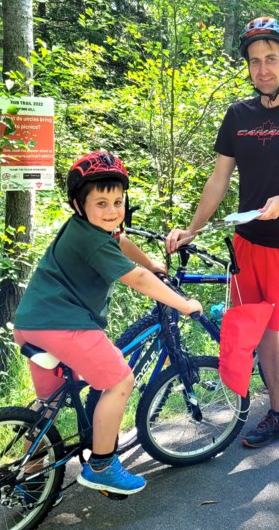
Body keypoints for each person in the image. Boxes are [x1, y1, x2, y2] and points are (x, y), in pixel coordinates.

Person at [165, 17, 279, 462]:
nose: (263, 68)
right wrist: (192, 226)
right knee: (262, 331)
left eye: (271, 59)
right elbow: (219, 179)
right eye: (254, 61)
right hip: (246, 243)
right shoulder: (238, 116)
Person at [14, 151, 202, 493]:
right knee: (119, 381)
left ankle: (28, 476)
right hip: (64, 325)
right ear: (78, 204)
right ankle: (101, 464)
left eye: (118, 201)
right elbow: (138, 281)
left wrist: (154, 265)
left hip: (31, 323)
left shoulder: (88, 229)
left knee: (50, 403)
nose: (112, 211)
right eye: (101, 203)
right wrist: (184, 304)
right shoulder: (91, 240)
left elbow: (122, 240)